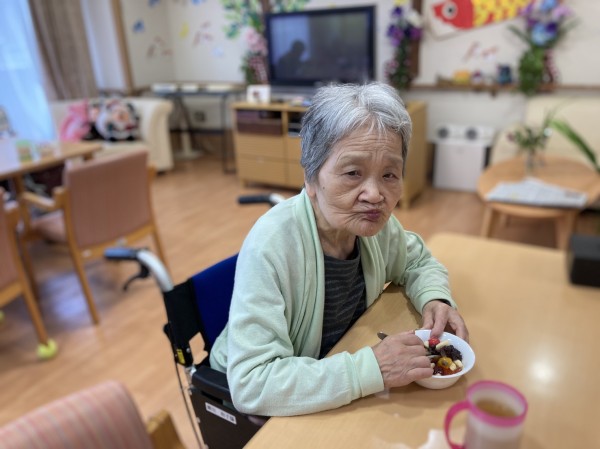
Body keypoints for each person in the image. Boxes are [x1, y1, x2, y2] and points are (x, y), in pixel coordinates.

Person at [210, 82, 469, 417]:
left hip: (331, 371)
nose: (375, 194)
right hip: (267, 406)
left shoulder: (373, 227)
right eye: (352, 173)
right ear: (311, 178)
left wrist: (435, 298)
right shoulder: (272, 247)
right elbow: (252, 384)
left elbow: (417, 260)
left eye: (390, 174)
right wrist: (373, 368)